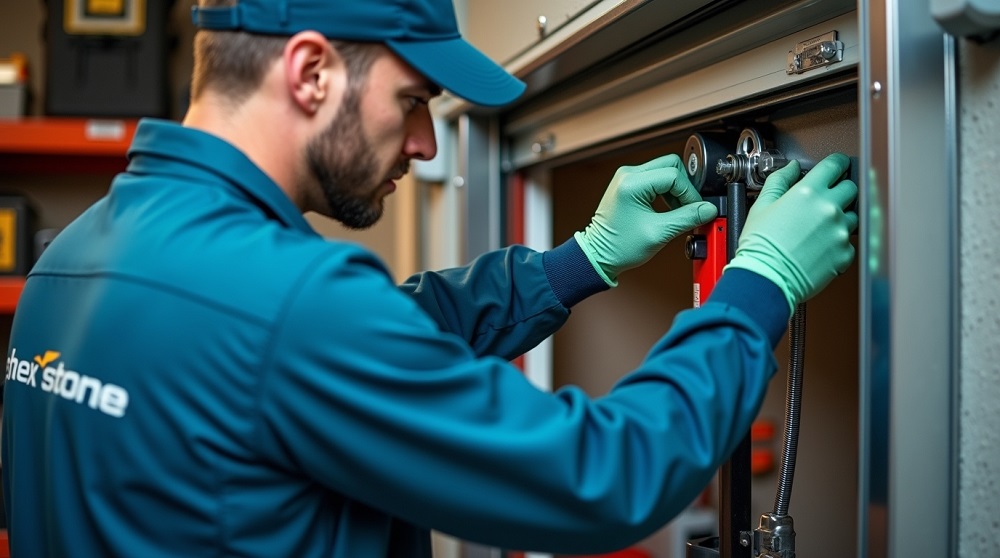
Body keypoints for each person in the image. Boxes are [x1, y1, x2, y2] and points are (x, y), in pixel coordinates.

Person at [0, 0, 858, 556]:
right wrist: (758, 288)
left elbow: (369, 340)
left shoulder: (70, 260)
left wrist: (582, 260)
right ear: (310, 72)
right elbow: (603, 474)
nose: (425, 145)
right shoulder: (287, 305)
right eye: (413, 101)